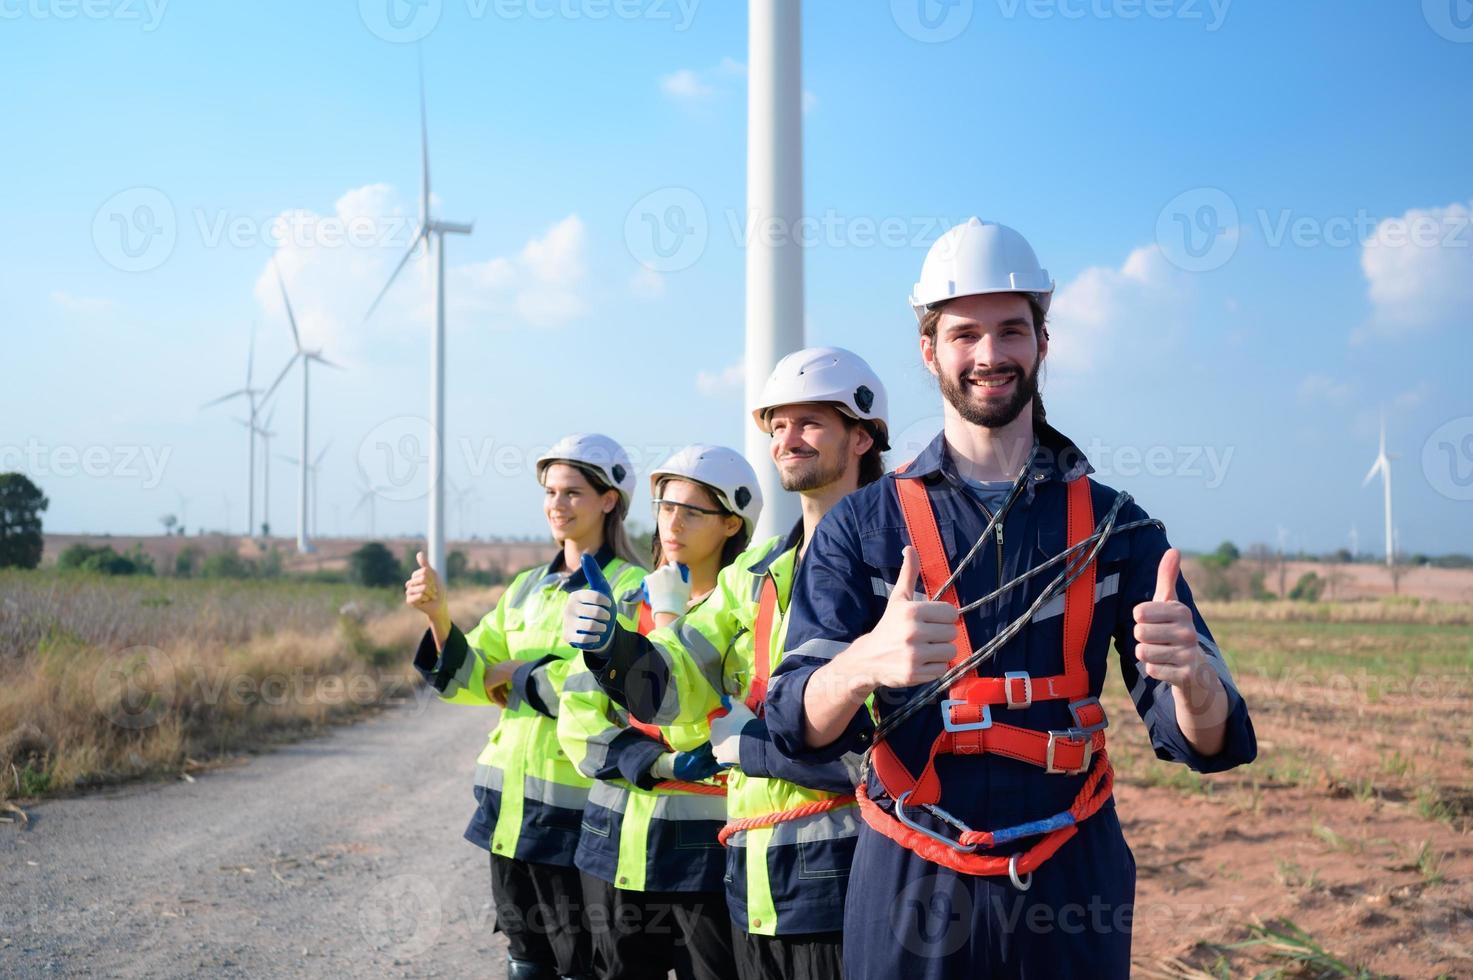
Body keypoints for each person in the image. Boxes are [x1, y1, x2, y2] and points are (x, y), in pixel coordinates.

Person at [763, 218, 1258, 980]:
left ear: (1042, 343)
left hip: (1069, 875)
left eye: (1010, 331)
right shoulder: (862, 527)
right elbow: (793, 720)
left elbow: (1204, 740)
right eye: (964, 334)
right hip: (910, 875)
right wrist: (862, 663)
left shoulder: (1118, 527)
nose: (989, 355)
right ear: (929, 351)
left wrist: (1192, 682)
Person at [563, 348, 890, 980]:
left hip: (851, 876)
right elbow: (675, 687)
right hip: (756, 881)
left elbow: (885, 744)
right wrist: (613, 647)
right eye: (778, 426)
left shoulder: (898, 562)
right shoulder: (758, 572)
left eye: (810, 423)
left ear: (862, 435)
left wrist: (757, 749)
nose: (787, 439)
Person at [405, 433, 647, 980]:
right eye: (550, 492)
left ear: (609, 500)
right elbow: (468, 679)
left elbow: (615, 689)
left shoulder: (631, 589)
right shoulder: (525, 588)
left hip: (579, 812)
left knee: (582, 961)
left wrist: (519, 675)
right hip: (510, 810)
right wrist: (439, 618)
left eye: (572, 493)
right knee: (525, 957)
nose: (556, 505)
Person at [557, 444, 763, 980]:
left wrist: (671, 621)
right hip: (612, 848)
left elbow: (706, 709)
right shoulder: (624, 609)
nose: (672, 522)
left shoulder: (747, 619)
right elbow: (578, 720)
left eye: (692, 511)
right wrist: (661, 765)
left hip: (704, 858)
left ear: (731, 525)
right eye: (665, 506)